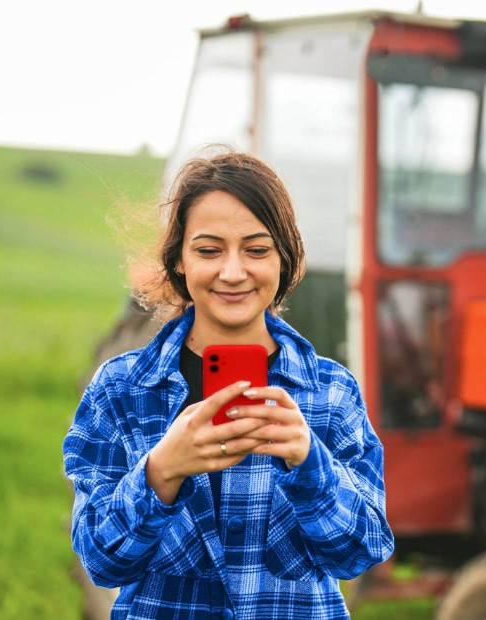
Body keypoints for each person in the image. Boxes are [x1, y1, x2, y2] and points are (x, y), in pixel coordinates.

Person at [64, 150, 394, 619]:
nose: (233, 272)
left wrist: (309, 462)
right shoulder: (120, 390)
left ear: (285, 259)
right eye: (208, 250)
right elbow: (101, 561)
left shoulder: (331, 392)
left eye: (256, 250)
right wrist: (160, 471)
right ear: (178, 259)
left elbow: (361, 552)